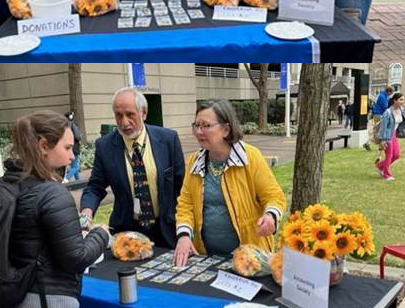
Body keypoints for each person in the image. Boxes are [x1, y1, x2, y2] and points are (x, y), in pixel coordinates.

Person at [7, 110, 109, 308]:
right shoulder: (53, 193)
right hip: (50, 302)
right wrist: (101, 234)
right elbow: (76, 259)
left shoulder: (7, 183)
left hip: (16, 297)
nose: (72, 156)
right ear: (44, 146)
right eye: (68, 148)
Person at [174, 99, 286, 266]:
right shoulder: (193, 162)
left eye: (206, 126)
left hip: (249, 259)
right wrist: (183, 236)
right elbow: (185, 205)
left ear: (226, 129)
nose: (199, 131)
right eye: (196, 126)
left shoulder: (250, 157)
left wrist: (270, 216)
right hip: (206, 257)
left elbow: (275, 197)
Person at [80, 87, 185, 248]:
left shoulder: (168, 140)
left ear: (143, 113)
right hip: (127, 233)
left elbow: (182, 187)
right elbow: (95, 186)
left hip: (167, 230)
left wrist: (185, 229)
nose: (124, 122)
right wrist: (86, 212)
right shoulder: (105, 146)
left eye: (130, 115)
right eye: (118, 115)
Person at [376, 93, 405, 181]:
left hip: (394, 134)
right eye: (400, 100)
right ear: (395, 100)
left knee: (397, 155)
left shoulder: (401, 109)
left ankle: (380, 166)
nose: (402, 102)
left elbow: (403, 121)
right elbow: (383, 127)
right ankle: (386, 174)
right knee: (389, 155)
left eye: (403, 100)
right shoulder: (387, 112)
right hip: (387, 135)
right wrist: (383, 140)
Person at [63, 111, 81, 183]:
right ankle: (66, 178)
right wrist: (80, 135)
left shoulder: (64, 125)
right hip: (74, 147)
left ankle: (78, 181)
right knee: (75, 166)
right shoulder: (73, 125)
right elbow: (77, 136)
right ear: (71, 117)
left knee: (74, 164)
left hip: (67, 146)